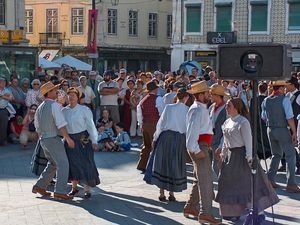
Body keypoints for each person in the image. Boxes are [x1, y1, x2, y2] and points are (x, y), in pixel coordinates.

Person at [215, 97, 279, 222]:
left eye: (229, 106)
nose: (227, 108)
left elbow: (248, 142)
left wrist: (250, 159)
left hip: (241, 156)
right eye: (227, 105)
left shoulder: (243, 122)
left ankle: (258, 212)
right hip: (230, 156)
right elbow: (225, 141)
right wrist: (222, 153)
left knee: (247, 185)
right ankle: (231, 212)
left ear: (236, 107)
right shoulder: (227, 121)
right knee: (227, 184)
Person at [184, 81, 221, 225]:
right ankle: (206, 213)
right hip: (199, 146)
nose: (209, 94)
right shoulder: (197, 110)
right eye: (206, 93)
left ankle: (191, 207)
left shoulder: (199, 108)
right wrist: (197, 150)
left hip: (201, 145)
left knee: (200, 179)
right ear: (200, 95)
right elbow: (192, 134)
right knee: (206, 181)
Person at [144, 88, 189, 202]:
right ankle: (172, 193)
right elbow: (188, 128)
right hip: (179, 139)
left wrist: (155, 138)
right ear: (186, 98)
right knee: (174, 164)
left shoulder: (169, 107)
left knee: (163, 163)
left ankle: (162, 193)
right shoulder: (188, 110)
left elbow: (161, 124)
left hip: (166, 137)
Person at [32, 81, 75, 200]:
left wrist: (43, 136)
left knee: (53, 164)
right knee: (63, 163)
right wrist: (68, 138)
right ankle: (60, 191)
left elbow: (37, 127)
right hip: (52, 138)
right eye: (54, 90)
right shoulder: (54, 105)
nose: (56, 91)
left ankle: (39, 186)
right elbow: (61, 125)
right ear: (49, 93)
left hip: (44, 139)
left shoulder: (40, 107)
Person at [261, 80, 300, 193]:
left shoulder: (266, 100)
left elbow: (263, 117)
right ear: (281, 88)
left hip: (270, 129)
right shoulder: (284, 99)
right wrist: (294, 132)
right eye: (284, 87)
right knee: (290, 155)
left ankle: (270, 179)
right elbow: (289, 117)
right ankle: (291, 183)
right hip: (282, 128)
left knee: (276, 155)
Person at [62, 87, 100, 198]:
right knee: (73, 164)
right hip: (70, 140)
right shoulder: (64, 111)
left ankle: (87, 189)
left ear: (78, 97)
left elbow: (90, 126)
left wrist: (94, 140)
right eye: (69, 95)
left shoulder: (84, 110)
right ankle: (74, 189)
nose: (71, 97)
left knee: (86, 163)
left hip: (83, 139)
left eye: (73, 95)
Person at [136, 80, 164, 173]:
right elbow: (162, 113)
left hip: (145, 124)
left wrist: (141, 125)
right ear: (155, 89)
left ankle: (142, 165)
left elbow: (139, 115)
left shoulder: (142, 100)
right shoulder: (158, 99)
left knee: (147, 145)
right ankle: (154, 166)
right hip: (154, 124)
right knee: (155, 145)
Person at [208, 84, 229, 176]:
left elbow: (227, 130)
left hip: (220, 142)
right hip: (212, 141)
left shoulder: (226, 109)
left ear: (217, 95)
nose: (210, 96)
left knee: (219, 167)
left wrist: (221, 145)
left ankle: (223, 188)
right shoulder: (211, 107)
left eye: (211, 94)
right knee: (214, 167)